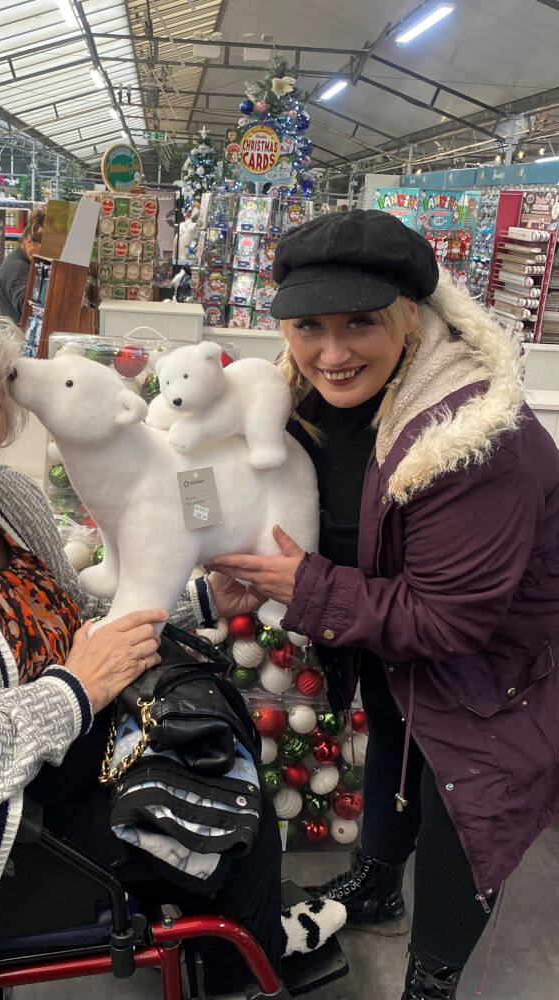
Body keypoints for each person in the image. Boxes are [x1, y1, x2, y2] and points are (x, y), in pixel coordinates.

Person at [0, 282, 297, 1000]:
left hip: (61, 764)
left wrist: (197, 600)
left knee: (222, 761)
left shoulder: (4, 496)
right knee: (229, 821)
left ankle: (243, 956)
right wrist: (73, 692)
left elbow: (76, 621)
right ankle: (244, 972)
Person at [207, 209, 559, 999]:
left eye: (360, 322)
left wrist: (305, 591)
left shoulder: (473, 437)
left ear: (411, 315)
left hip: (495, 673)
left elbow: (451, 619)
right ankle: (371, 887)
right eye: (309, 325)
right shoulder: (309, 401)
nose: (332, 353)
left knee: (460, 816)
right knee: (398, 758)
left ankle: (431, 979)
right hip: (396, 643)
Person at [0, 205, 44, 324]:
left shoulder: (27, 262)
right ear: (29, 241)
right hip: (15, 337)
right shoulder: (16, 267)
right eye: (43, 249)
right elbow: (25, 307)